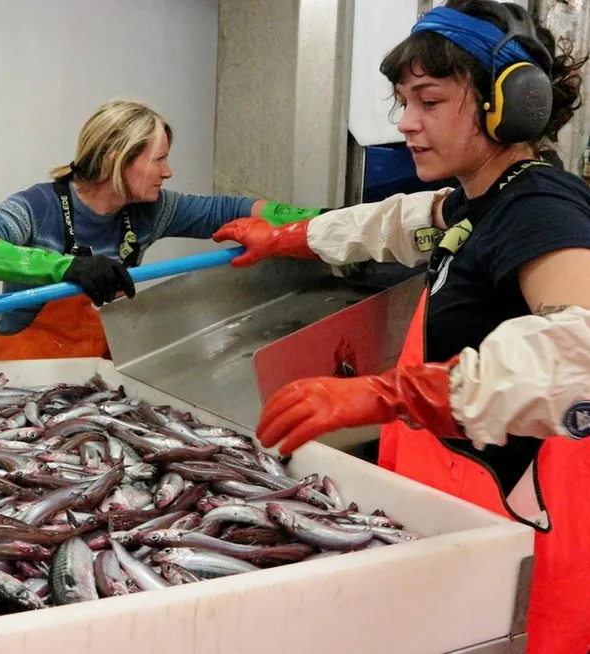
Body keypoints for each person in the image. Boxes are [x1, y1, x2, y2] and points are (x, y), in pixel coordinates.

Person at [213, 2, 590, 651]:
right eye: (401, 102)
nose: (407, 124)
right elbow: (393, 224)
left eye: (430, 101)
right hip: (467, 530)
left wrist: (392, 394)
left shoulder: (538, 208)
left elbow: (580, 348)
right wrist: (287, 238)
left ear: (511, 104)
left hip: (528, 555)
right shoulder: (476, 200)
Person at [0, 99, 327, 362]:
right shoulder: (38, 207)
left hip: (94, 378)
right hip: (22, 377)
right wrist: (65, 269)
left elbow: (229, 210)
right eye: (158, 159)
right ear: (116, 160)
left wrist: (324, 219)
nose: (168, 171)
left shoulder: (150, 211)